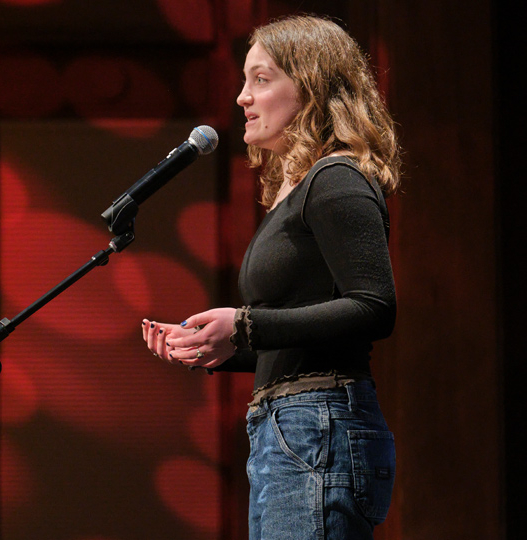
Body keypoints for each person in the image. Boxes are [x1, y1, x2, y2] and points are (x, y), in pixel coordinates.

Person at [141, 15, 400, 540]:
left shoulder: (336, 179)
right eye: (244, 80)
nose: (242, 97)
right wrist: (215, 346)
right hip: (288, 428)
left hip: (317, 428)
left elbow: (374, 306)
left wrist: (243, 325)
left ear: (312, 88)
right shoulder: (296, 187)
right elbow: (299, 337)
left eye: (261, 79)